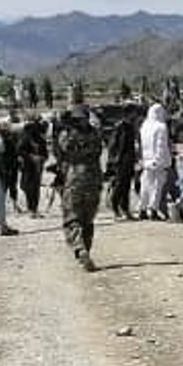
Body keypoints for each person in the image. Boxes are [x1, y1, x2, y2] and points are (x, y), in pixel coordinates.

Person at [52, 104, 104, 270]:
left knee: (72, 217)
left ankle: (80, 249)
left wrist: (60, 126)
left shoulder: (67, 135)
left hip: (74, 178)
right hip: (94, 178)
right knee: (88, 219)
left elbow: (60, 151)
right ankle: (86, 250)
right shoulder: (95, 134)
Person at [138, 103, 173, 221]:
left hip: (146, 159)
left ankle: (142, 209)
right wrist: (161, 160)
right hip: (158, 161)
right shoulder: (161, 126)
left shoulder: (144, 125)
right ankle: (153, 210)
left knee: (145, 186)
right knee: (157, 187)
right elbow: (161, 145)